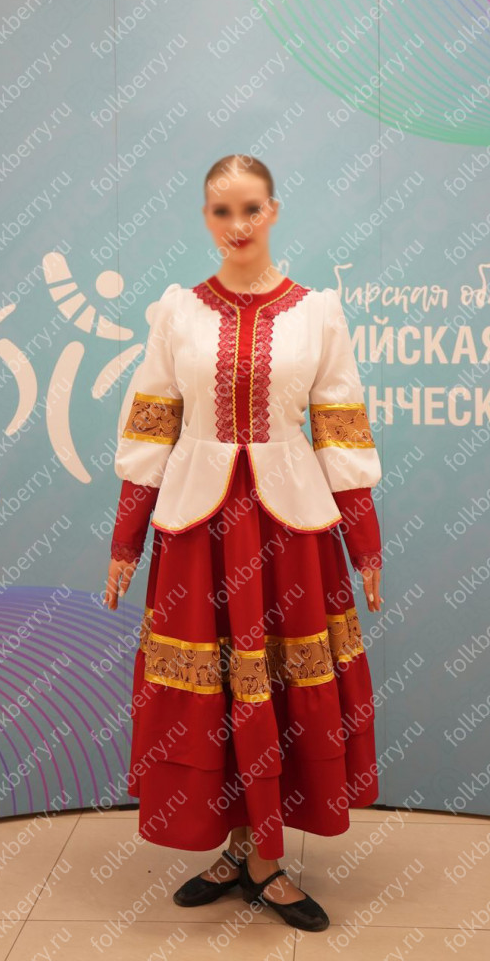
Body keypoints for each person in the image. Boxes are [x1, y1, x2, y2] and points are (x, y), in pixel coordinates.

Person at [104, 154, 383, 933]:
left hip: (289, 530)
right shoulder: (177, 314)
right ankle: (237, 849)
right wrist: (126, 539)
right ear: (205, 217)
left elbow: (340, 428)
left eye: (251, 208)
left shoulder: (318, 313)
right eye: (222, 211)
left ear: (274, 211)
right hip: (199, 532)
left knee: (280, 689)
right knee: (217, 691)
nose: (237, 225)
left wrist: (365, 544)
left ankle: (266, 860)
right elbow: (152, 425)